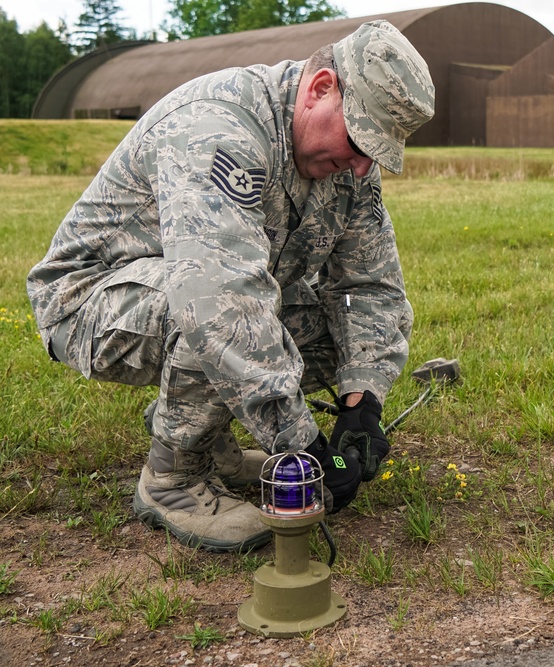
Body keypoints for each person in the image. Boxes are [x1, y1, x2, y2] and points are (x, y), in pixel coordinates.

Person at [26, 21, 435, 552]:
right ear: (320, 88)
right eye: (360, 141)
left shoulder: (348, 167)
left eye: (376, 153)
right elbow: (219, 299)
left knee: (329, 333)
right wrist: (301, 444)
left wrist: (363, 404)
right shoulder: (219, 127)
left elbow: (371, 285)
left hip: (194, 296)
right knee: (211, 305)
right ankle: (172, 479)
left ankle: (210, 442)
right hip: (90, 301)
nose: (362, 166)